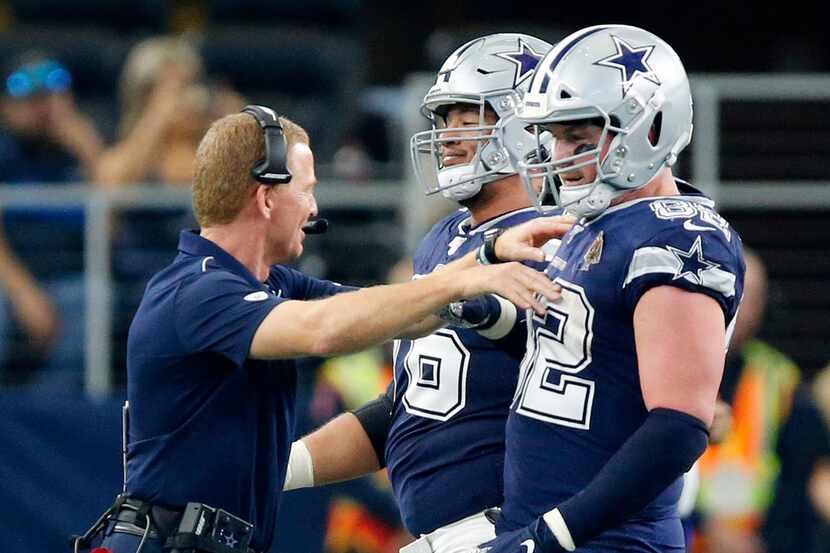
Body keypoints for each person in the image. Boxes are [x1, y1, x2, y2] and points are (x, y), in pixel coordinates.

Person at [77, 105, 571, 553]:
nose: (314, 210)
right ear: (267, 197)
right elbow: (323, 330)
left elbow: (385, 312)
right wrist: (468, 277)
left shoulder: (268, 281)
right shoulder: (195, 293)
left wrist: (485, 256)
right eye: (307, 190)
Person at [280, 33, 557, 553]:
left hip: (511, 529)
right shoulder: (445, 239)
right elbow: (406, 409)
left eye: (468, 117)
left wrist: (466, 299)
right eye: (444, 119)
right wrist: (273, 467)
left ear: (528, 126)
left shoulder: (556, 234)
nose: (449, 136)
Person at [479, 24, 746, 552]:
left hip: (607, 540)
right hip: (546, 526)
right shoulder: (595, 223)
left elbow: (678, 425)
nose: (558, 154)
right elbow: (584, 359)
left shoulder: (677, 238)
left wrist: (552, 535)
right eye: (554, 136)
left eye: (579, 137)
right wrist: (489, 316)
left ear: (650, 128)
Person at [0, 51, 104, 385]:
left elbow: (112, 231)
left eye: (51, 97)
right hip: (11, 277)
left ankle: (44, 421)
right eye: (29, 99)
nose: (41, 107)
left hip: (71, 278)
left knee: (92, 299)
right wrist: (24, 294)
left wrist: (89, 153)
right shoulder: (4, 151)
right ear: (5, 107)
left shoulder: (81, 148)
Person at [694, 249, 799, 553]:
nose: (741, 304)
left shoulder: (780, 378)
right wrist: (704, 525)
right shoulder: (673, 365)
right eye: (735, 288)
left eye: (753, 295)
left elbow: (797, 477)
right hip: (682, 536)